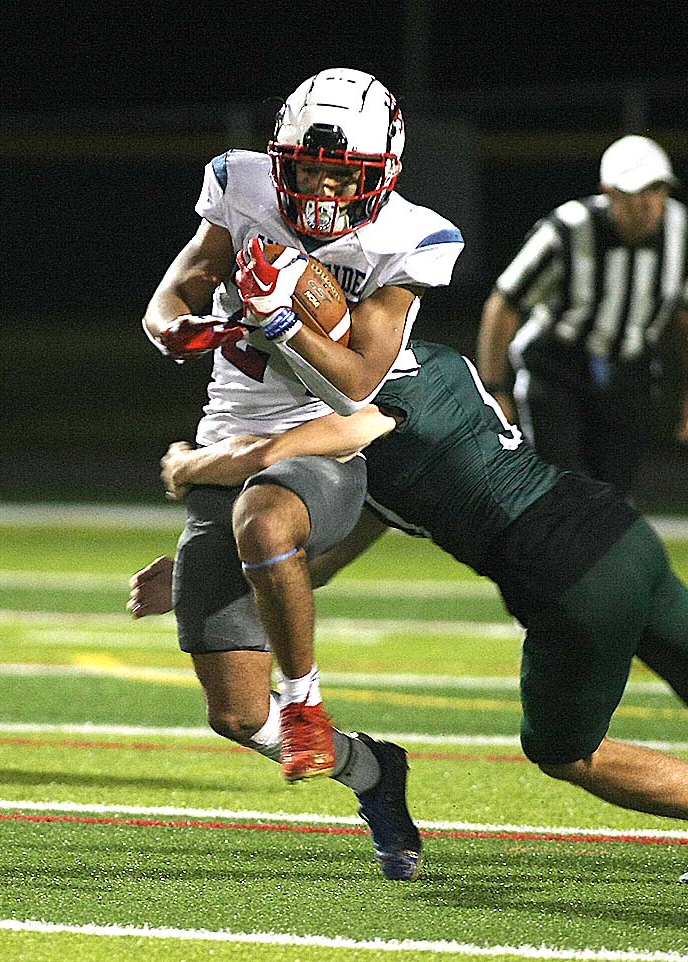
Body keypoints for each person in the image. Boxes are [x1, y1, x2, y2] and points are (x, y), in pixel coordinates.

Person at [134, 339, 688, 884]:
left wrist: (202, 462)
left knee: (564, 751)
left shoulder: (376, 396)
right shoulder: (439, 368)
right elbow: (314, 560)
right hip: (615, 531)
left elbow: (307, 442)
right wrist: (211, 574)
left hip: (563, 577)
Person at [138, 66, 463, 880]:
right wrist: (176, 328)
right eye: (306, 167)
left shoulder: (412, 237)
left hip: (325, 444)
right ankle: (374, 770)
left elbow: (357, 379)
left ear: (379, 174)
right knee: (238, 714)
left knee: (266, 519)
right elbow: (175, 290)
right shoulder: (241, 184)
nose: (318, 185)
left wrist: (285, 319)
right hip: (232, 437)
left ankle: (307, 694)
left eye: (338, 173)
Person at [475, 134, 688, 502]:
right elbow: (504, 304)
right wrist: (495, 388)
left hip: (630, 368)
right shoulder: (566, 231)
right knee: (563, 488)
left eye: (658, 191)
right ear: (609, 192)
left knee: (615, 495)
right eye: (637, 192)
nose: (649, 205)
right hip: (558, 366)